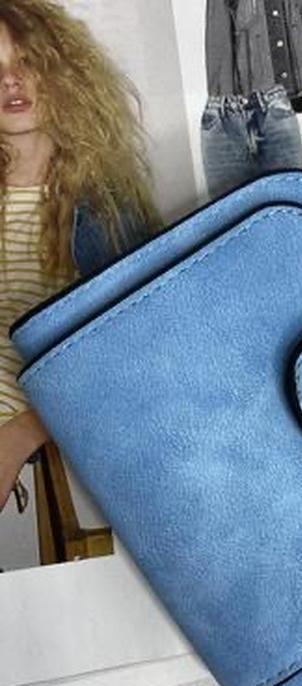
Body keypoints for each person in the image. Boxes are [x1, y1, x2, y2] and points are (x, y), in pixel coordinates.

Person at [0, 0, 161, 513]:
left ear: (63, 74)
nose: (10, 81)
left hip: (64, 458)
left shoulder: (105, 208)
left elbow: (136, 355)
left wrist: (22, 434)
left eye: (28, 61)